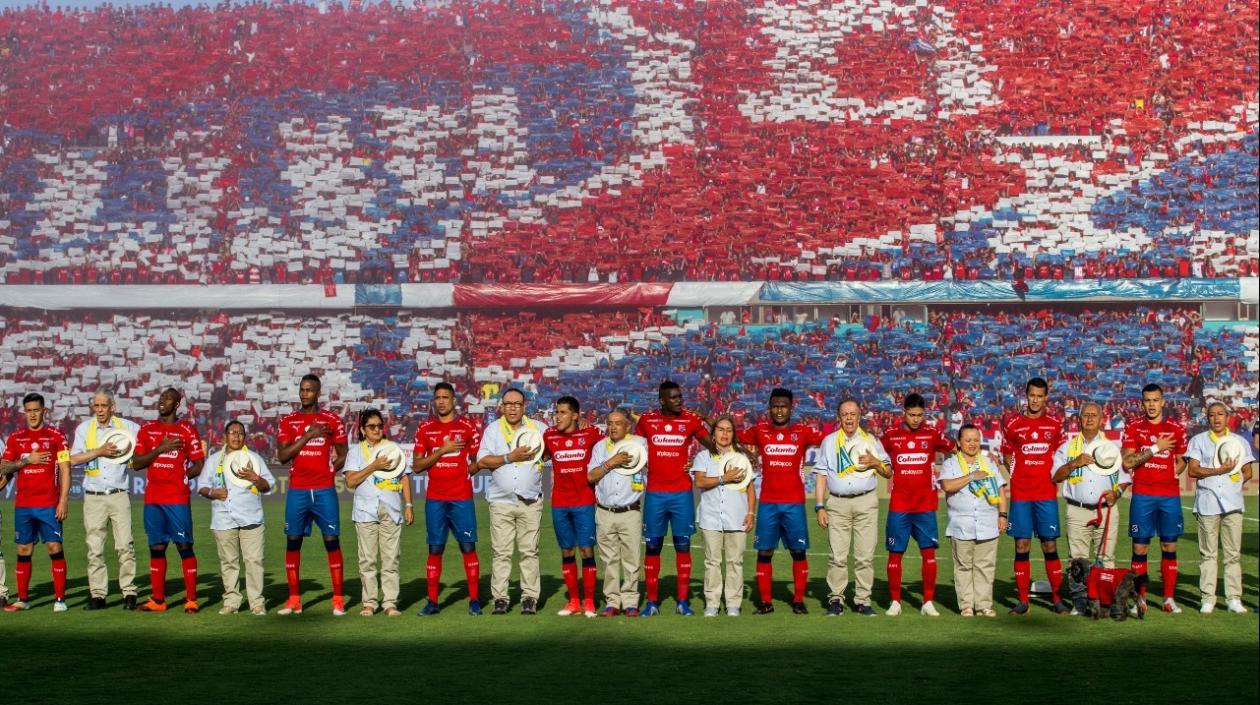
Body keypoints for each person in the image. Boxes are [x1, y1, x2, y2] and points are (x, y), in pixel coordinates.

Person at [738, 388, 824, 615]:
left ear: (790, 408)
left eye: (783, 406)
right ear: (769, 408)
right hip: (768, 503)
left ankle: (798, 600)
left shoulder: (802, 432)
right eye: (775, 406)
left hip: (794, 503)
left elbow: (831, 439)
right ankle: (766, 602)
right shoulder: (759, 431)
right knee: (764, 552)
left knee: (798, 551)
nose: (779, 410)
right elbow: (730, 436)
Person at [635, 380, 714, 616]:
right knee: (653, 547)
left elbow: (714, 446)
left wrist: (697, 461)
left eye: (680, 396)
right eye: (674, 397)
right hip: (655, 494)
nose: (679, 400)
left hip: (681, 494)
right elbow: (635, 451)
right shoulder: (647, 420)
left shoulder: (690, 420)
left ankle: (682, 602)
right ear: (662, 400)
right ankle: (652, 602)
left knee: (683, 546)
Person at [276, 373, 349, 616]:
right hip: (297, 489)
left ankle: (338, 599)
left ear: (318, 393)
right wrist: (308, 435)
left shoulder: (332, 420)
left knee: (331, 541)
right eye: (302, 389)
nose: (304, 393)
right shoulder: (288, 421)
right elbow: (283, 456)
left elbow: (343, 452)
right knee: (293, 541)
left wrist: (331, 470)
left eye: (309, 390)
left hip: (324, 489)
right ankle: (294, 599)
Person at [878, 393, 955, 617]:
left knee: (929, 555)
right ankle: (895, 602)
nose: (915, 419)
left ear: (924, 414)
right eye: (912, 415)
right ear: (904, 413)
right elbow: (875, 454)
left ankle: (928, 602)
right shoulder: (891, 436)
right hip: (899, 506)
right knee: (895, 554)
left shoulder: (932, 433)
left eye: (920, 415)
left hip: (925, 506)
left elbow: (955, 448)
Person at [131, 388, 206, 613]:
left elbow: (199, 464)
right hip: (153, 499)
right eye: (161, 397)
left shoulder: (186, 430)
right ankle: (158, 600)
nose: (162, 401)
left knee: (184, 547)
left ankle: (191, 600)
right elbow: (137, 463)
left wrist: (183, 477)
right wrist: (160, 449)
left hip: (176, 499)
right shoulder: (147, 430)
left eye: (168, 398)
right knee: (156, 547)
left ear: (177, 404)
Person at [812, 398, 889, 617]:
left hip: (866, 502)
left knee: (865, 556)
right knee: (837, 556)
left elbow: (888, 471)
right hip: (837, 503)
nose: (849, 418)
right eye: (845, 414)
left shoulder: (871, 440)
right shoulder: (829, 441)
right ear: (839, 417)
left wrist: (875, 462)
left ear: (859, 416)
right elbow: (821, 475)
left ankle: (863, 600)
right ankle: (836, 599)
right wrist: (819, 506)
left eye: (852, 414)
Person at [412, 382, 483, 616]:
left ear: (454, 400)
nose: (441, 401)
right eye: (438, 398)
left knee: (468, 546)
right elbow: (417, 466)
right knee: (435, 548)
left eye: (445, 397)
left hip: (461, 497)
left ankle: (474, 600)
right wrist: (442, 450)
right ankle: (432, 602)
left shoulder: (467, 427)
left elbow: (477, 461)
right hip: (436, 498)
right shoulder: (425, 428)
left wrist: (466, 471)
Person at [69, 388, 141, 611]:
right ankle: (98, 595)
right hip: (93, 497)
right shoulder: (84, 429)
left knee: (125, 546)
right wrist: (98, 451)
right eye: (96, 406)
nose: (99, 410)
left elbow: (145, 446)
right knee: (95, 549)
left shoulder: (129, 427)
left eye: (103, 406)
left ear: (112, 407)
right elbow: (73, 459)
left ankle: (129, 592)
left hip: (119, 495)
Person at [1001, 377, 1068, 615]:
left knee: (1049, 544)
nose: (1035, 400)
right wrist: (1016, 474)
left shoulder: (1054, 425)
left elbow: (1061, 455)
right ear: (1026, 395)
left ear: (1046, 398)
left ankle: (1057, 599)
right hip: (1021, 495)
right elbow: (1007, 454)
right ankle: (1023, 601)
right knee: (1022, 545)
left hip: (1046, 494)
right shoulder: (1014, 424)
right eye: (1032, 395)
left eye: (1040, 396)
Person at [476, 389, 546, 615]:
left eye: (517, 404)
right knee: (501, 553)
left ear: (524, 406)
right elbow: (482, 460)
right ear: (502, 406)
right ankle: (500, 598)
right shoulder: (493, 430)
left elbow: (557, 444)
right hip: (500, 501)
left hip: (530, 500)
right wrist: (509, 457)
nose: (512, 408)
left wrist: (580, 423)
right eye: (508, 404)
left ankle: (529, 598)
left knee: (529, 552)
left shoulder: (539, 428)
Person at [1121, 383, 1189, 613]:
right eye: (1147, 400)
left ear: (1163, 402)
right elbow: (1128, 462)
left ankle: (1168, 598)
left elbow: (1182, 460)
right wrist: (1155, 448)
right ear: (1142, 403)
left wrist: (1169, 474)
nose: (1151, 405)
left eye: (1155, 400)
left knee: (1169, 545)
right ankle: (1140, 599)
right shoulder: (1134, 427)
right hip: (1143, 495)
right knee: (1140, 548)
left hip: (1169, 495)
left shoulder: (1176, 429)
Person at [0, 393, 71, 612]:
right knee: (23, 549)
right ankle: (23, 599)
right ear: (24, 412)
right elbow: (4, 467)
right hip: (23, 504)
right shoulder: (15, 438)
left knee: (54, 546)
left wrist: (63, 500)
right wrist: (27, 460)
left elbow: (65, 469)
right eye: (28, 411)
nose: (32, 415)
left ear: (44, 411)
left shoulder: (56, 436)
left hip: (48, 503)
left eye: (36, 410)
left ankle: (60, 600)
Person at [197, 420, 274, 615]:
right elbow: (202, 487)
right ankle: (231, 602)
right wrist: (212, 492)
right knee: (228, 562)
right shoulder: (214, 460)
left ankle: (256, 603)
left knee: (254, 561)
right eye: (232, 432)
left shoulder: (254, 459)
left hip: (251, 518)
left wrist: (256, 478)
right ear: (225, 436)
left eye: (240, 432)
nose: (236, 436)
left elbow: (268, 486)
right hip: (223, 519)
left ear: (244, 437)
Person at [1185, 402, 1255, 614]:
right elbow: (1193, 470)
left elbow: (1248, 471)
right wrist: (1219, 471)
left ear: (1227, 417)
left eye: (1220, 414)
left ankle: (1234, 598)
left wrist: (1232, 482)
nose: (1216, 418)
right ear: (1207, 418)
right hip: (1207, 503)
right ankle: (1208, 598)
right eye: (1212, 415)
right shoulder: (1198, 441)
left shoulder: (1240, 442)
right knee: (1208, 554)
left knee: (1233, 554)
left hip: (1233, 504)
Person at [344, 409, 414, 617]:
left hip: (391, 509)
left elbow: (404, 477)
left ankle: (390, 603)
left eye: (379, 426)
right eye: (371, 426)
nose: (376, 429)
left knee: (391, 559)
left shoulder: (392, 449)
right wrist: (373, 466)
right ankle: (370, 603)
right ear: (363, 430)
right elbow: (350, 481)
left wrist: (409, 505)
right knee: (367, 560)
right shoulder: (355, 452)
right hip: (365, 510)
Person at [542, 396, 603, 617]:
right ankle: (573, 602)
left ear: (575, 415)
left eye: (563, 412)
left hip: (584, 501)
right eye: (556, 412)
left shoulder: (591, 433)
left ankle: (589, 602)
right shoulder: (549, 435)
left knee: (586, 550)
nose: (557, 417)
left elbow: (611, 445)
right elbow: (541, 456)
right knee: (567, 550)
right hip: (560, 502)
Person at [939, 424, 1007, 617]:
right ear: (959, 443)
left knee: (985, 567)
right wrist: (971, 476)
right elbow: (947, 486)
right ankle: (966, 605)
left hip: (988, 522)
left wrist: (1003, 515)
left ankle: (984, 605)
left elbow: (1001, 490)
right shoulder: (950, 464)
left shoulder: (989, 463)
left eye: (976, 440)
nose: (972, 444)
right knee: (963, 567)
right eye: (968, 440)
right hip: (961, 524)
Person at [1051, 402, 1130, 569]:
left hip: (1106, 511)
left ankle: (1102, 587)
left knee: (1106, 561)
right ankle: (1080, 589)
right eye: (1086, 415)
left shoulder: (1112, 447)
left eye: (1094, 415)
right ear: (1079, 419)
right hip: (1077, 511)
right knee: (1077, 563)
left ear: (1101, 420)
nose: (1089, 419)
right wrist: (1074, 463)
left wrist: (1117, 493)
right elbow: (1055, 476)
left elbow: (1124, 479)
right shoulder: (1066, 447)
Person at [692, 416, 755, 617]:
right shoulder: (703, 457)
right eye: (720, 429)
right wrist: (723, 478)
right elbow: (700, 482)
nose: (725, 434)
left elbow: (750, 488)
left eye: (729, 430)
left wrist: (751, 513)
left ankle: (733, 604)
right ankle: (712, 603)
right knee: (712, 561)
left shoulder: (741, 458)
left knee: (735, 562)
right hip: (710, 517)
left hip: (737, 517)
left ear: (733, 434)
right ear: (713, 434)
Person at [586, 409, 645, 617]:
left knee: (632, 559)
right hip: (605, 511)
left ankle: (630, 602)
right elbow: (591, 476)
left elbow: (658, 465)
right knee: (608, 560)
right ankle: (612, 601)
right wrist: (611, 462)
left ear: (628, 426)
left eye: (618, 423)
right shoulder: (600, 447)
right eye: (610, 423)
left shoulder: (640, 444)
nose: (612, 427)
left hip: (630, 511)